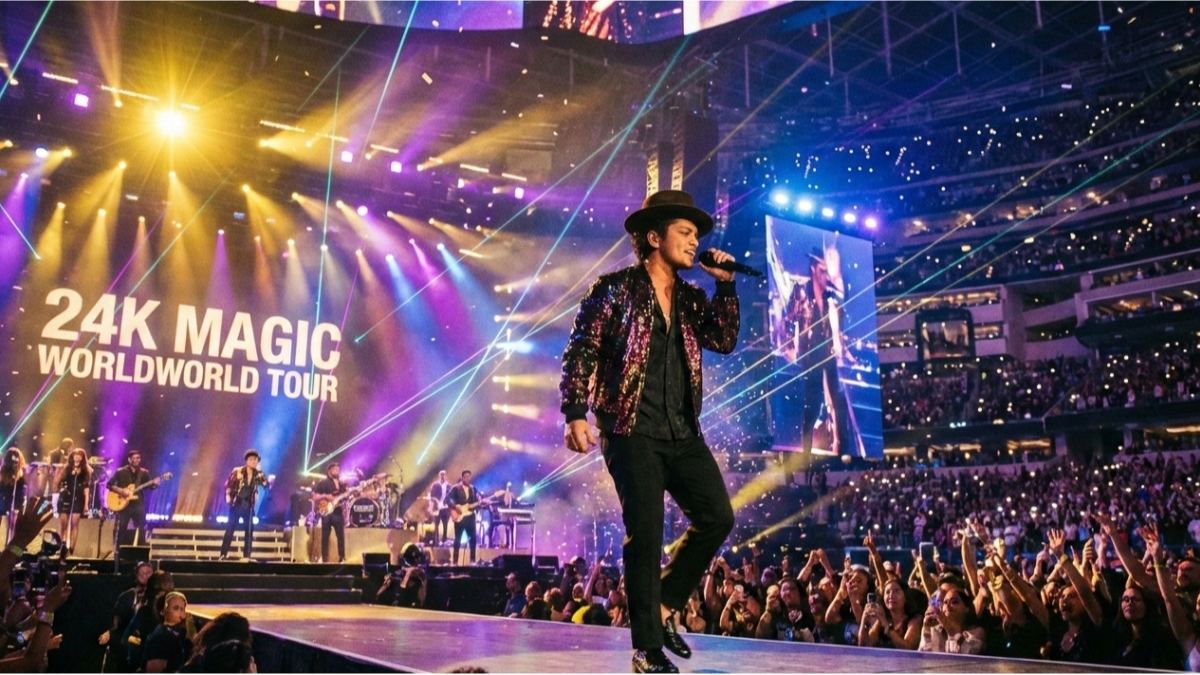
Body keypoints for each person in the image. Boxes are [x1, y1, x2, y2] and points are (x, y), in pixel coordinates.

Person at [560, 189, 740, 674]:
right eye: (685, 232)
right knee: (647, 532)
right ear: (654, 237)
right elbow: (582, 349)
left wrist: (725, 286)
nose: (694, 241)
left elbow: (723, 340)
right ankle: (645, 648)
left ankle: (662, 607)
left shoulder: (690, 298)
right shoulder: (614, 289)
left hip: (682, 431)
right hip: (629, 428)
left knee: (717, 516)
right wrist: (575, 411)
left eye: (697, 234)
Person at [785, 245, 856, 456]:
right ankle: (805, 451)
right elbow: (788, 322)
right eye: (823, 271)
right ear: (814, 269)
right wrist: (791, 349)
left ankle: (842, 447)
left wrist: (846, 352)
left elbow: (839, 329)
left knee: (838, 400)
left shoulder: (830, 298)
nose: (826, 276)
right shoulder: (800, 291)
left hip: (827, 354)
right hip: (810, 356)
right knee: (813, 404)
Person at [99, 561, 154, 673]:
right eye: (143, 573)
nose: (146, 576)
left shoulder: (155, 597)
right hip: (128, 642)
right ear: (136, 575)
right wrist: (110, 632)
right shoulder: (126, 596)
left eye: (149, 573)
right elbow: (116, 622)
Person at [220, 450, 272, 561]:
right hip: (237, 503)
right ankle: (223, 554)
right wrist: (228, 497)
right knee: (230, 529)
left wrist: (269, 480)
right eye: (251, 459)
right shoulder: (238, 471)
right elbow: (228, 484)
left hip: (249, 505)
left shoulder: (258, 474)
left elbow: (266, 484)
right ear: (247, 461)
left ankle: (246, 556)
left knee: (249, 530)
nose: (254, 462)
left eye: (255, 460)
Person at [108, 450, 161, 548]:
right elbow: (109, 485)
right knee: (122, 527)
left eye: (138, 458)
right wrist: (121, 491)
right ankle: (119, 550)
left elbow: (150, 487)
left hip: (138, 504)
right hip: (124, 505)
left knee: (140, 527)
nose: (137, 460)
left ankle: (140, 551)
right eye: (134, 458)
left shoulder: (144, 473)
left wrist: (156, 484)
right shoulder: (121, 472)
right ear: (129, 459)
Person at [53, 446, 91, 554]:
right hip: (66, 497)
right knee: (63, 524)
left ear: (82, 458)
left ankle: (71, 549)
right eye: (75, 456)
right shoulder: (67, 469)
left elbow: (86, 489)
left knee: (75, 524)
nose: (77, 458)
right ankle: (61, 546)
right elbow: (60, 483)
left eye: (79, 456)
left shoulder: (85, 472)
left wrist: (86, 505)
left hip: (78, 499)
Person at [143, 591, 191, 673]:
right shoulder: (161, 636)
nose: (181, 612)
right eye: (176, 608)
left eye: (182, 609)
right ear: (163, 611)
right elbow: (154, 670)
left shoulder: (180, 633)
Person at [312, 463, 347, 563]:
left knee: (340, 536)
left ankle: (342, 557)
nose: (337, 470)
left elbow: (345, 497)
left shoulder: (342, 484)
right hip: (327, 513)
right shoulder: (323, 483)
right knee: (325, 536)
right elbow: (314, 497)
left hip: (338, 512)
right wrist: (326, 496)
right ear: (329, 471)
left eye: (338, 469)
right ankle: (324, 558)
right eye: (335, 469)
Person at [445, 470, 480, 565]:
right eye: (466, 476)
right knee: (458, 539)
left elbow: (475, 502)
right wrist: (455, 507)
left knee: (473, 539)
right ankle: (455, 560)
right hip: (460, 517)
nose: (468, 478)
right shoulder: (456, 488)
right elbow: (447, 499)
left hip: (470, 517)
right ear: (462, 478)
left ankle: (473, 560)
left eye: (469, 476)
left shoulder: (473, 489)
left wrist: (481, 503)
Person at [0, 448, 26, 540]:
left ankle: (11, 543)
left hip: (14, 501)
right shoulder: (3, 472)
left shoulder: (20, 473)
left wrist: (19, 505)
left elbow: (22, 490)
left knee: (13, 524)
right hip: (3, 500)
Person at [429, 470, 452, 546]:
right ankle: (436, 541)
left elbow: (451, 496)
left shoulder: (448, 486)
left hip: (445, 508)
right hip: (437, 507)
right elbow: (431, 496)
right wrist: (432, 505)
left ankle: (444, 541)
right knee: (436, 525)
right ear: (439, 476)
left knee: (445, 525)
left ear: (445, 476)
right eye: (441, 475)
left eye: (444, 475)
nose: (442, 476)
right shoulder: (435, 485)